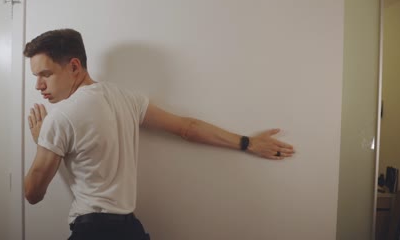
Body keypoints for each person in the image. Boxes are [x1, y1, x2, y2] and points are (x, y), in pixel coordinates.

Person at [23, 28, 295, 240]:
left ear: (73, 66)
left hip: (93, 231)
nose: (38, 86)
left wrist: (42, 141)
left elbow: (32, 194)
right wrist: (247, 143)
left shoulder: (59, 118)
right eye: (36, 76)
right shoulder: (125, 98)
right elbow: (187, 128)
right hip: (130, 230)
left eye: (45, 74)